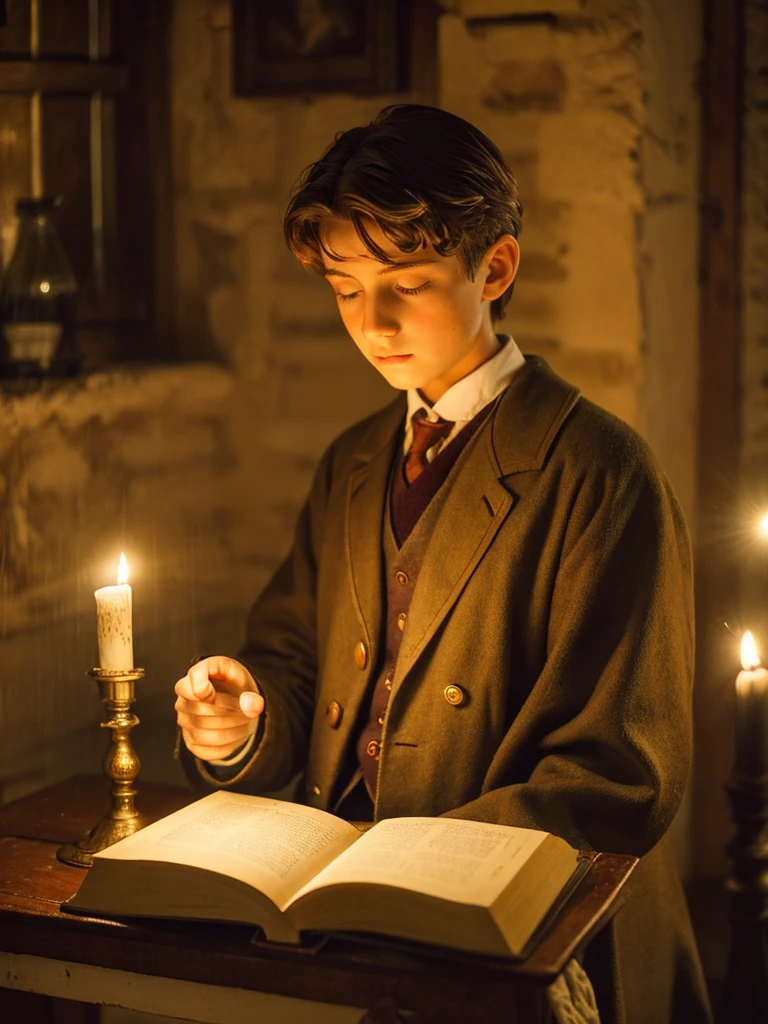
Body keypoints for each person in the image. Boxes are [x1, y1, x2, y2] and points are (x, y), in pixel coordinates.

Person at [174, 104, 711, 1024]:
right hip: (339, 926)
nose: (372, 322)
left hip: (526, 939)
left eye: (407, 283)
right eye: (345, 289)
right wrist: (242, 722)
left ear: (494, 266)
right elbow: (298, 667)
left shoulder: (602, 473)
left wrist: (412, 861)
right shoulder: (351, 462)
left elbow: (616, 775)